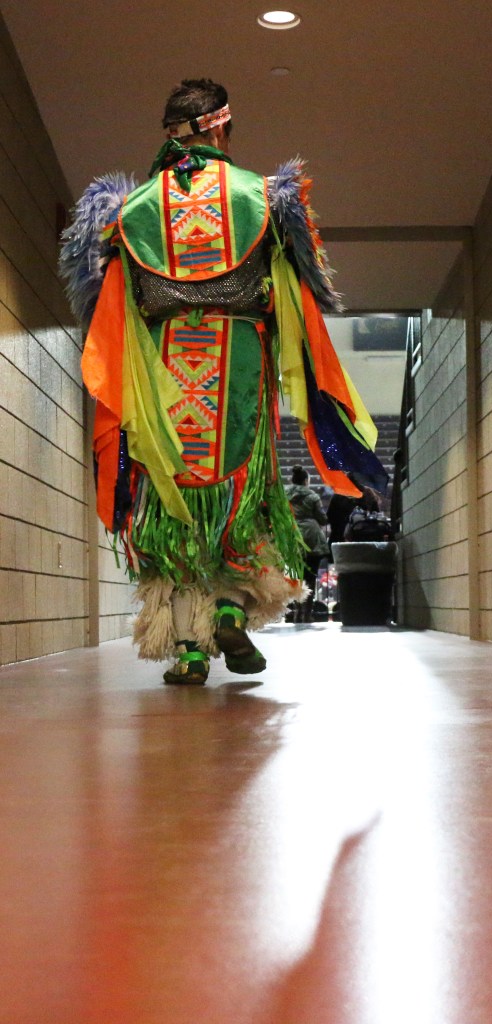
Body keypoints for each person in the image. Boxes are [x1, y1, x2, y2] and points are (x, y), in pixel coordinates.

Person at [61, 77, 388, 685]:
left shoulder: (127, 211)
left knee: (173, 510)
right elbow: (303, 292)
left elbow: (103, 303)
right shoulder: (263, 197)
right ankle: (234, 608)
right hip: (237, 365)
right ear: (220, 127)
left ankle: (189, 649)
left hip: (161, 375)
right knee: (243, 502)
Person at [285, 466, 329, 622]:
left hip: (292, 536)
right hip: (311, 539)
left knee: (294, 577)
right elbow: (323, 519)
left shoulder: (284, 495)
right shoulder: (312, 496)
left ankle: (296, 612)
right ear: (306, 481)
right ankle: (306, 613)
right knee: (310, 577)